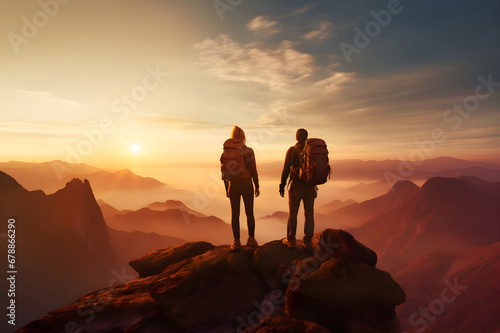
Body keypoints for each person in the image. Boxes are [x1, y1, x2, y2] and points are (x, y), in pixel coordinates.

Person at [221, 125, 260, 250]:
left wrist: (226, 186)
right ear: (243, 136)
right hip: (247, 184)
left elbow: (224, 171)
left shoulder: (226, 151)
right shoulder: (249, 151)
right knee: (249, 213)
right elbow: (253, 170)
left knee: (235, 214)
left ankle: (236, 242)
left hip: (233, 185)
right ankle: (251, 239)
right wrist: (257, 185)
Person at [279, 128, 316, 250]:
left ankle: (291, 240)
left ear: (296, 137)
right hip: (310, 187)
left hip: (296, 186)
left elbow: (285, 170)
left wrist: (282, 185)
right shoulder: (312, 151)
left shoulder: (292, 150)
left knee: (293, 213)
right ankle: (308, 241)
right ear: (306, 137)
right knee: (309, 214)